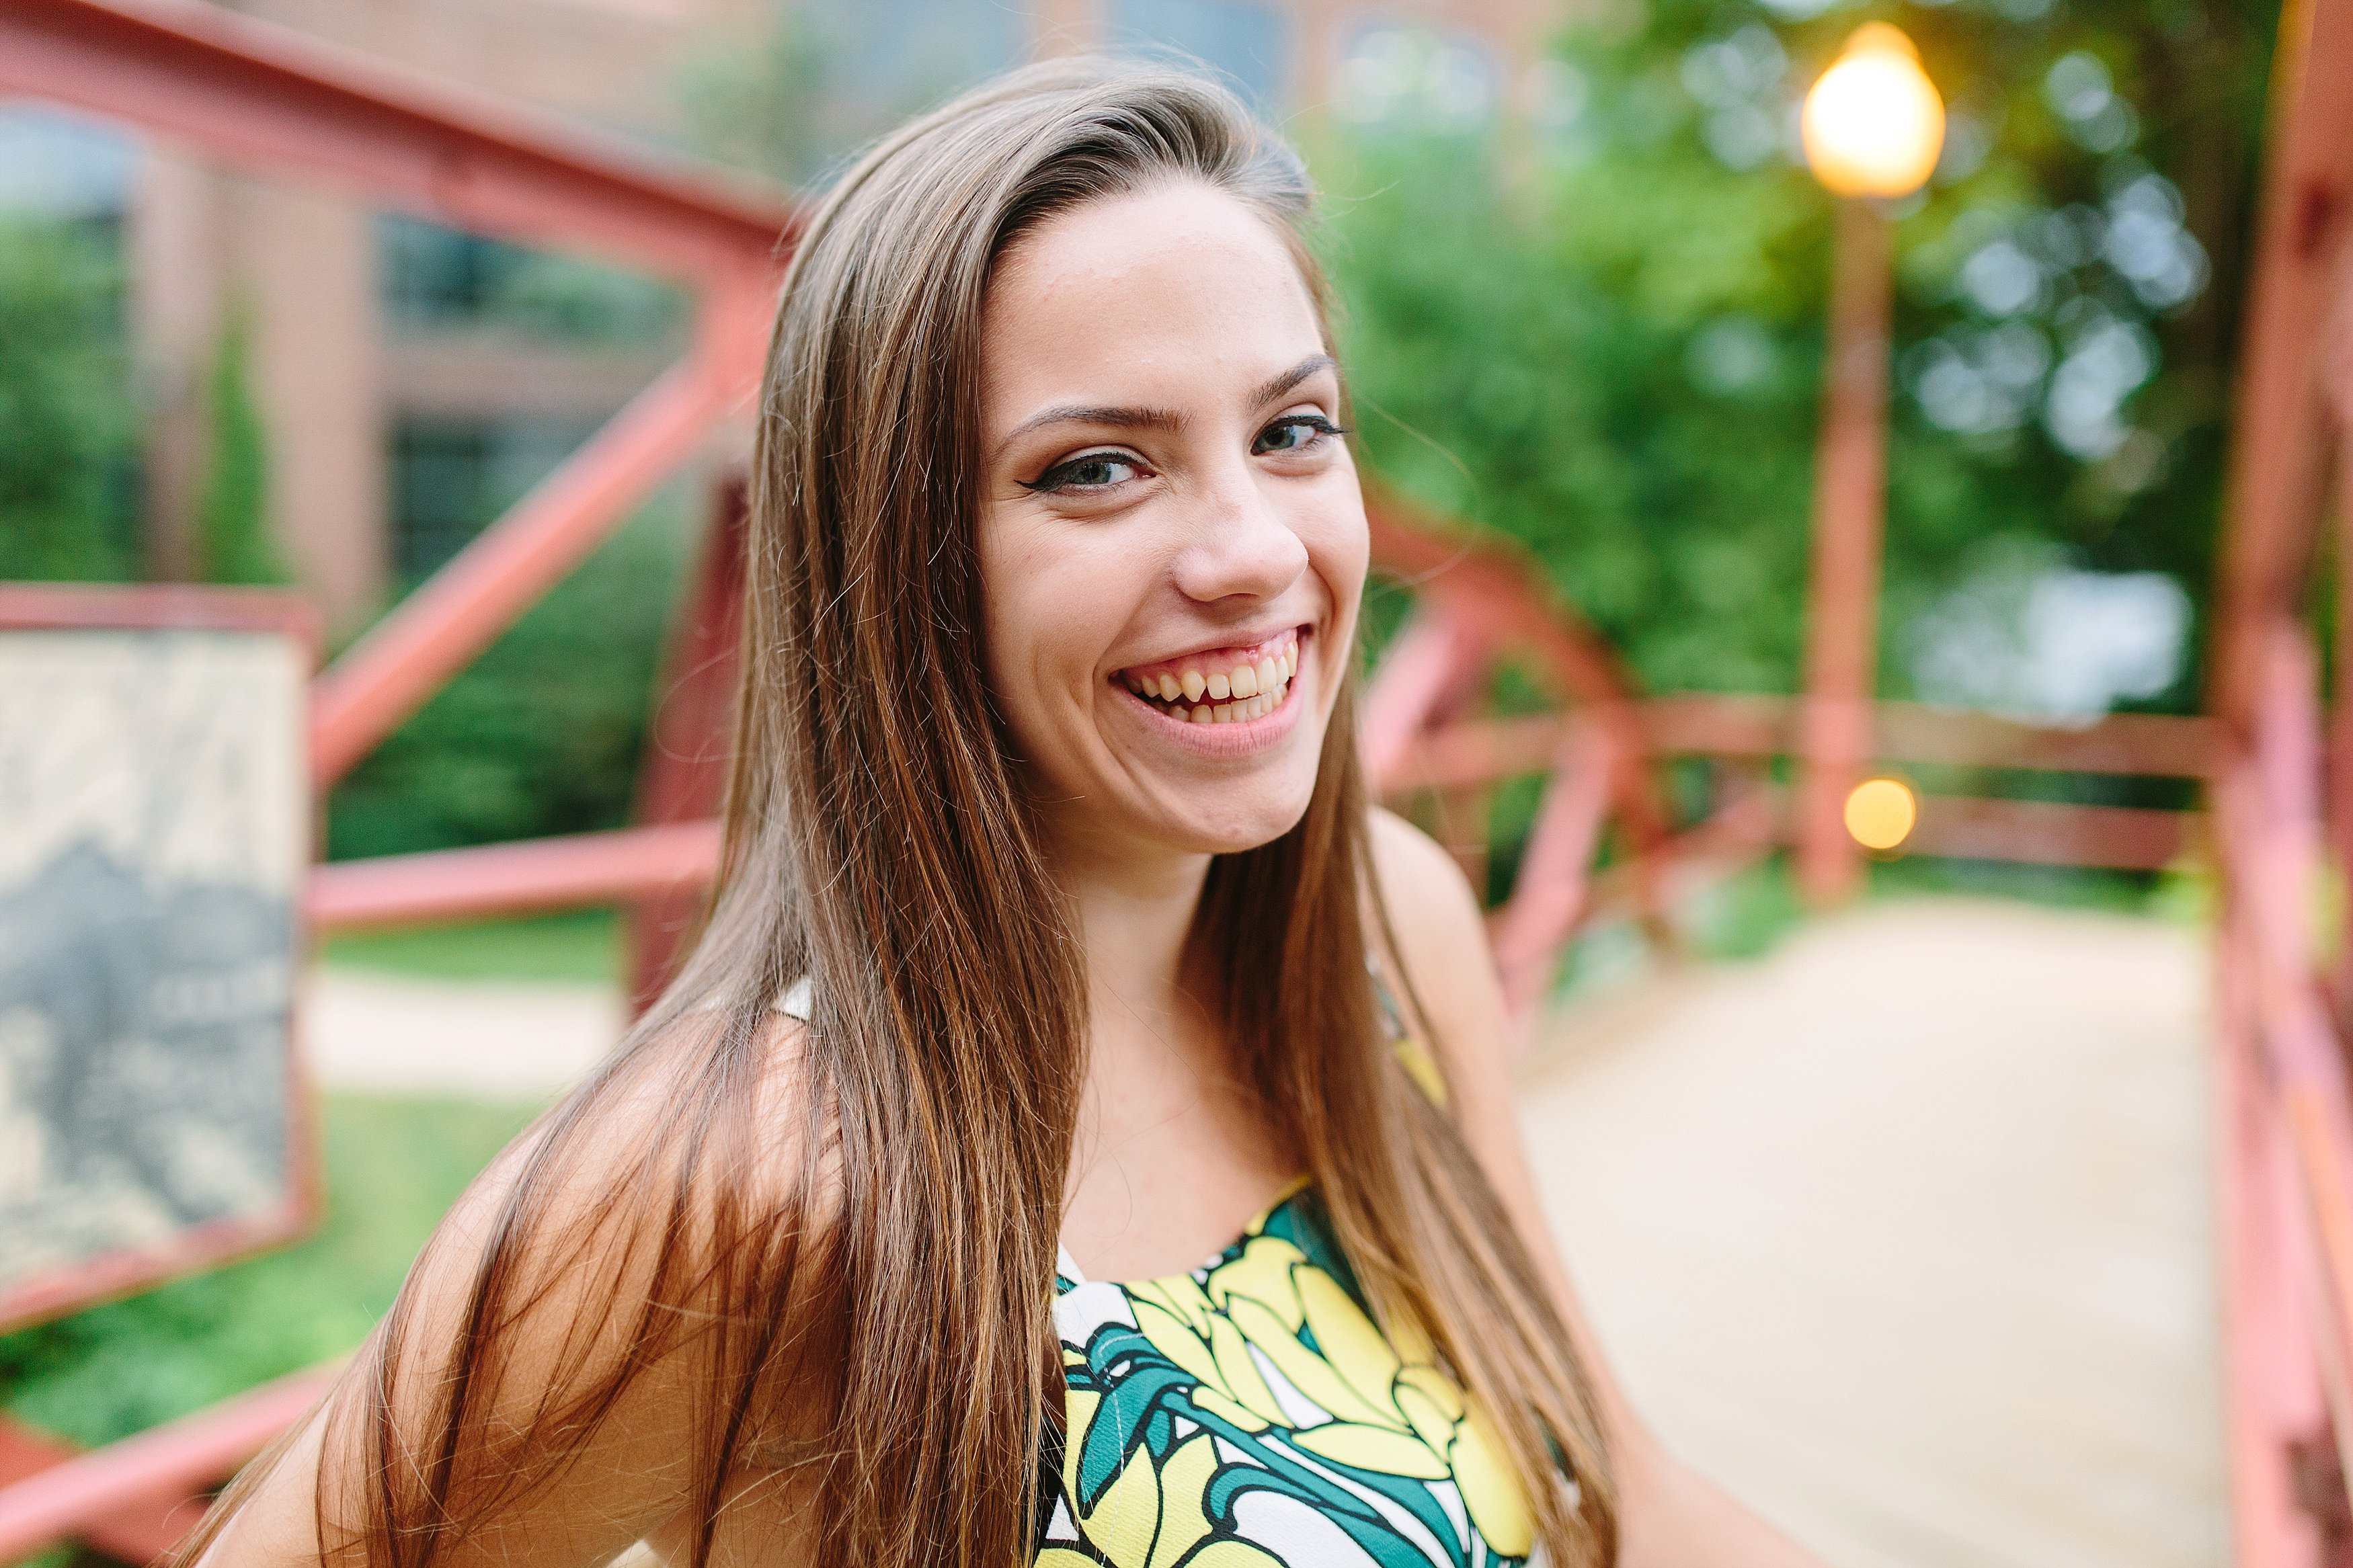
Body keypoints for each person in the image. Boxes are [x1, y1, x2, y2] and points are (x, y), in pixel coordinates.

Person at [191, 60, 1823, 1568]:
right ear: (906, 568)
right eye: (1097, 470)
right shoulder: (753, 1173)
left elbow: (1619, 1490)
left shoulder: (1389, 935)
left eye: (1291, 431)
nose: (1252, 550)